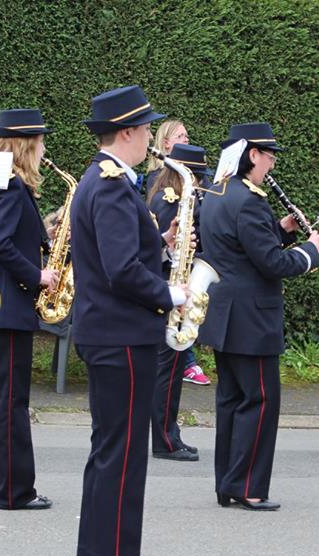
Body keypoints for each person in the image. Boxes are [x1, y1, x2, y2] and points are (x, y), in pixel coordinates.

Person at [72, 85, 181, 556]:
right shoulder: (114, 184)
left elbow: (117, 253)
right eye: (145, 131)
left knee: (109, 448)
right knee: (122, 453)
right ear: (128, 132)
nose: (149, 142)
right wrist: (170, 293)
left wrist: (156, 242)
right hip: (122, 336)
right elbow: (120, 270)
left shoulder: (102, 180)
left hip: (108, 333)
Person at [198, 122, 319, 511]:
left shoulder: (217, 194)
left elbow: (240, 248)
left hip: (227, 314)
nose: (271, 164)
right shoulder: (250, 200)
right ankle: (248, 486)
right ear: (253, 155)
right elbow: (270, 263)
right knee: (259, 401)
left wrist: (280, 230)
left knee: (231, 400)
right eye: (269, 156)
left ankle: (228, 483)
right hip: (252, 317)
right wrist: (310, 250)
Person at [0, 109, 59, 510]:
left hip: (1, 304)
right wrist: (38, 276)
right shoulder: (11, 185)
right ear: (27, 144)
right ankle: (14, 490)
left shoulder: (3, 183)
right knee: (13, 400)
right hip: (11, 304)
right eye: (41, 141)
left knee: (0, 397)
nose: (45, 149)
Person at [145, 142, 211, 462]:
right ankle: (164, 439)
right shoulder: (170, 199)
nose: (199, 184)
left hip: (173, 286)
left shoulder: (172, 195)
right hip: (168, 287)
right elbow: (161, 248)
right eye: (197, 177)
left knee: (171, 367)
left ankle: (171, 434)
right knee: (167, 369)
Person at [144, 119, 210, 386]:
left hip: (179, 271)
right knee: (166, 370)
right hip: (170, 273)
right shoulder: (165, 190)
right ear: (166, 144)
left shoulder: (186, 189)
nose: (186, 139)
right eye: (180, 136)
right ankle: (165, 427)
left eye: (187, 135)